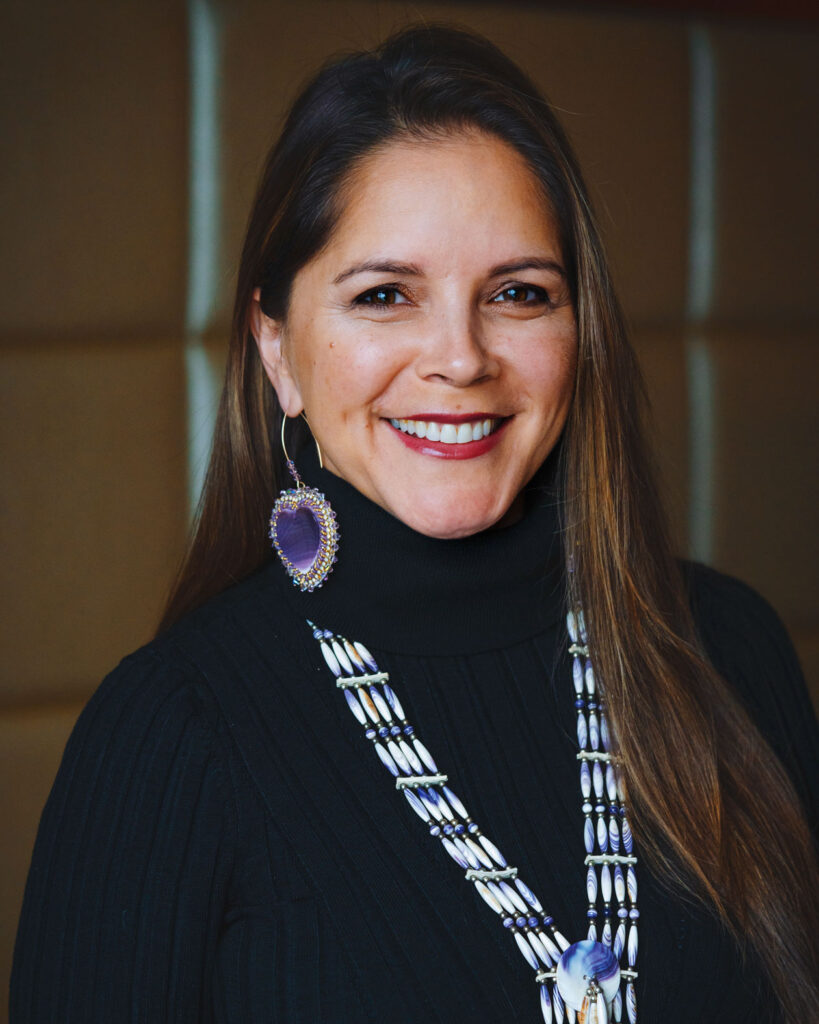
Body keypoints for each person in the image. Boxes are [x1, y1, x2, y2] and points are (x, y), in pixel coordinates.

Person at [10, 24, 818, 1024]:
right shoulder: (171, 734)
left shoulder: (729, 650)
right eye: (385, 295)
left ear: (581, 330)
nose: (461, 357)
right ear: (277, 352)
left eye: (519, 293)